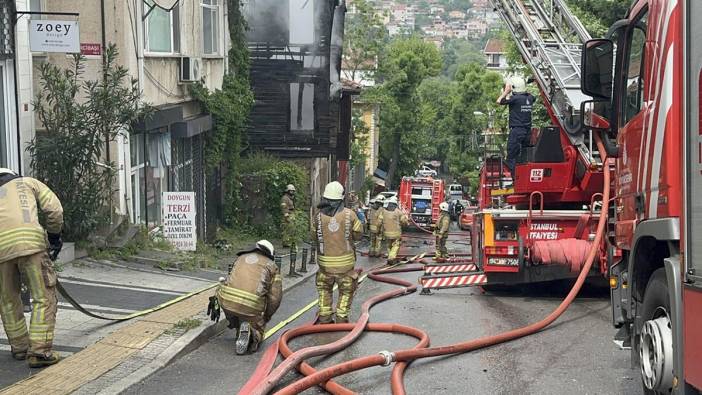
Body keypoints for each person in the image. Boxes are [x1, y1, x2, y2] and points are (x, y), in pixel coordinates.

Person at [0, 168, 63, 368]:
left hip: (1, 253)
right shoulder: (28, 182)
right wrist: (54, 237)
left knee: (8, 300)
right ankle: (40, 352)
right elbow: (55, 210)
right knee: (43, 296)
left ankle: (19, 348)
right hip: (32, 247)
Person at [216, 240, 282, 355]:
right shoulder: (272, 266)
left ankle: (237, 326)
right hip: (251, 306)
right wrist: (266, 317)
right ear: (270, 254)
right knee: (257, 324)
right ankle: (253, 333)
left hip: (226, 300)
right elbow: (274, 298)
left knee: (226, 297)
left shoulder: (240, 258)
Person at [313, 181, 363, 324]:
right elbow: (359, 234)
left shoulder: (317, 216)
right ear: (341, 198)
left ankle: (325, 317)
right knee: (346, 291)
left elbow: (313, 236)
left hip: (324, 266)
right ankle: (341, 318)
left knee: (324, 289)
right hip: (345, 266)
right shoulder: (350, 215)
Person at [497, 76, 534, 175]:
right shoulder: (530, 98)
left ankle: (515, 180)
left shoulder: (515, 99)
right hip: (527, 132)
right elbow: (528, 93)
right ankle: (523, 177)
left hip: (517, 131)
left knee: (511, 157)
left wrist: (506, 91)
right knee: (523, 157)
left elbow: (499, 101)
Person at [378, 196, 408, 264]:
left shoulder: (383, 211)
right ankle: (391, 258)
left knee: (389, 245)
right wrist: (406, 224)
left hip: (386, 233)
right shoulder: (398, 212)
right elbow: (404, 222)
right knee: (396, 245)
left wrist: (379, 229)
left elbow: (379, 222)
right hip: (396, 233)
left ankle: (390, 255)